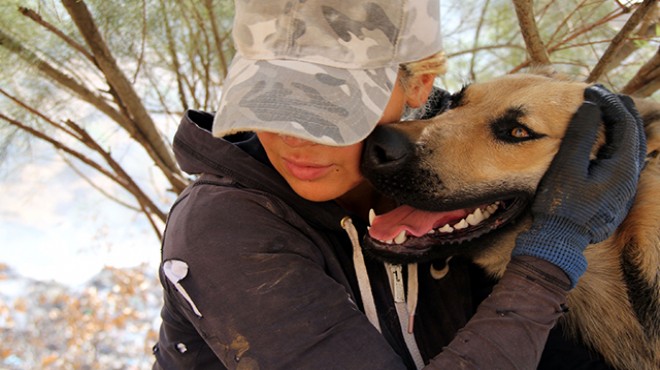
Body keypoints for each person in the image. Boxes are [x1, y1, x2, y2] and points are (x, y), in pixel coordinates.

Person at [152, 1, 646, 369]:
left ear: (418, 85)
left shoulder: (432, 179)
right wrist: (548, 257)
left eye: (327, 105)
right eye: (267, 100)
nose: (289, 137)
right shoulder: (222, 228)